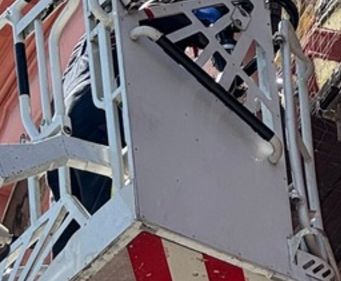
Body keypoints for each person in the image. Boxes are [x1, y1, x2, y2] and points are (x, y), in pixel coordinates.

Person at [47, 3, 234, 255]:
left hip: (62, 130)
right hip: (99, 117)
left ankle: (69, 265)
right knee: (105, 221)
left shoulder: (89, 40)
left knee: (72, 226)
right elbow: (201, 16)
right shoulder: (139, 18)